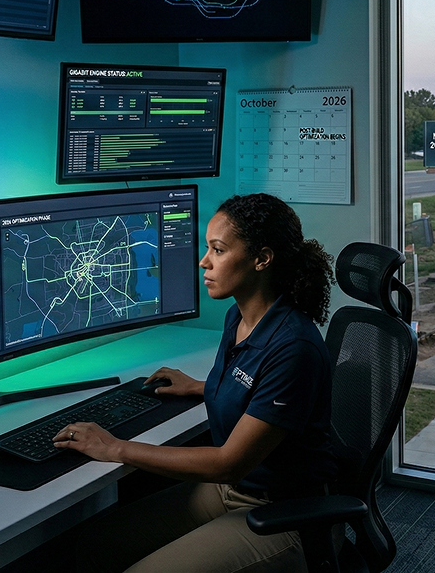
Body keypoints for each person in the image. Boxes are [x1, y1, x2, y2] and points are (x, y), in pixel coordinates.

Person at [54, 193, 337, 573]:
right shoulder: (239, 318)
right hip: (233, 491)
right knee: (96, 544)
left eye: (218, 250)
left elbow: (228, 463)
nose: (204, 261)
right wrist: (203, 386)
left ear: (261, 259)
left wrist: (116, 448)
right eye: (208, 248)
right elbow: (256, 390)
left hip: (283, 512)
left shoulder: (293, 347)